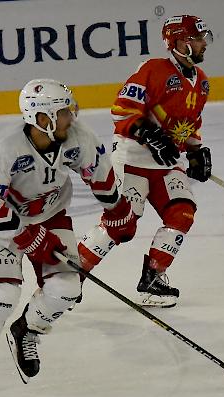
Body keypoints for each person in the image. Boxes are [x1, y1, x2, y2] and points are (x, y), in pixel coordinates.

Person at [0, 79, 136, 397]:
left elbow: (102, 177)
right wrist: (28, 238)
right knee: (0, 296)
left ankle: (27, 329)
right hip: (3, 226)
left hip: (51, 217)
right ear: (42, 118)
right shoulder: (2, 149)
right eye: (64, 112)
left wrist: (120, 212)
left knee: (67, 288)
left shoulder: (78, 137)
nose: (71, 117)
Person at [77, 15, 213, 308]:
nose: (203, 43)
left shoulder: (201, 82)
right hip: (132, 159)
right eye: (196, 38)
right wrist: (149, 134)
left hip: (166, 163)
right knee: (121, 224)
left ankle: (153, 277)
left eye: (203, 38)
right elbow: (122, 110)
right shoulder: (154, 70)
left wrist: (194, 150)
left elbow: (191, 122)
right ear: (179, 42)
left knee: (182, 214)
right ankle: (69, 276)